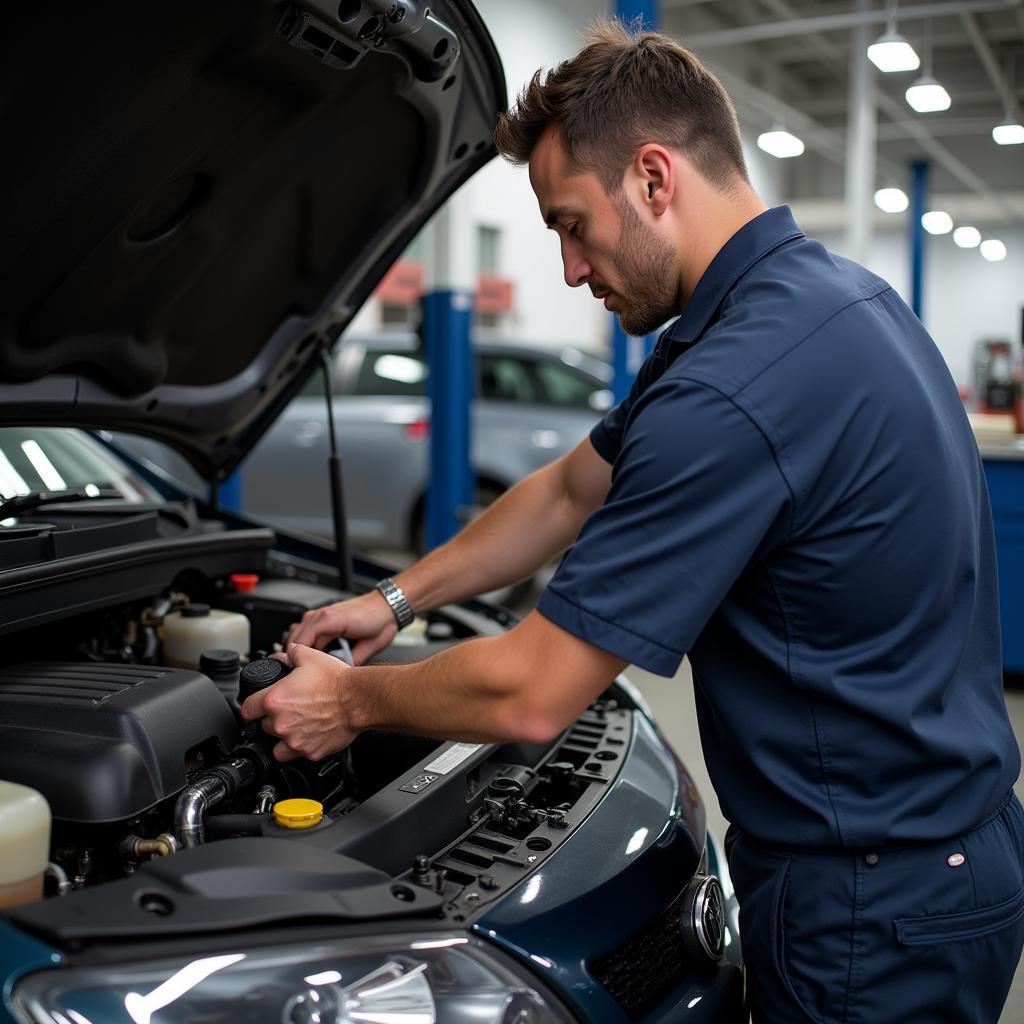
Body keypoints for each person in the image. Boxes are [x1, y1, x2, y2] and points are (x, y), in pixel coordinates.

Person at [242, 20, 1024, 1023]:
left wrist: (347, 704)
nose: (570, 269)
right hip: (939, 850)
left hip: (871, 903)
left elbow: (533, 694)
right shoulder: (812, 301)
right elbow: (570, 490)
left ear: (653, 179)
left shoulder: (736, 388)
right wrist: (394, 597)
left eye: (572, 224)